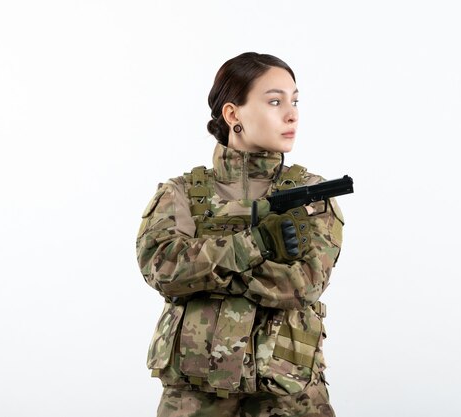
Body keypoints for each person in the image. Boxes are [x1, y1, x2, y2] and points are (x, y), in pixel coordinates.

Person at [136, 52, 344, 417]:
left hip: (287, 393)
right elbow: (163, 270)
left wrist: (206, 271)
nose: (291, 114)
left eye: (294, 101)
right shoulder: (180, 193)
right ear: (233, 115)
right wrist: (257, 245)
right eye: (275, 101)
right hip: (196, 394)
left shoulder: (313, 195)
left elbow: (302, 285)